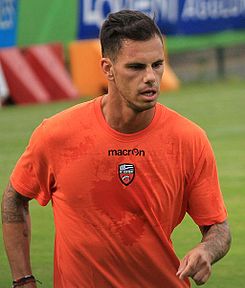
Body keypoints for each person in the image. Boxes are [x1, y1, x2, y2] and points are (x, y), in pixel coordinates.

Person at [1, 10, 231, 288]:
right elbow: (14, 198)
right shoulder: (57, 133)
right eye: (136, 67)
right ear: (107, 68)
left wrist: (206, 250)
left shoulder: (189, 139)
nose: (150, 77)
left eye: (157, 65)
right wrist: (23, 280)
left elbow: (218, 227)